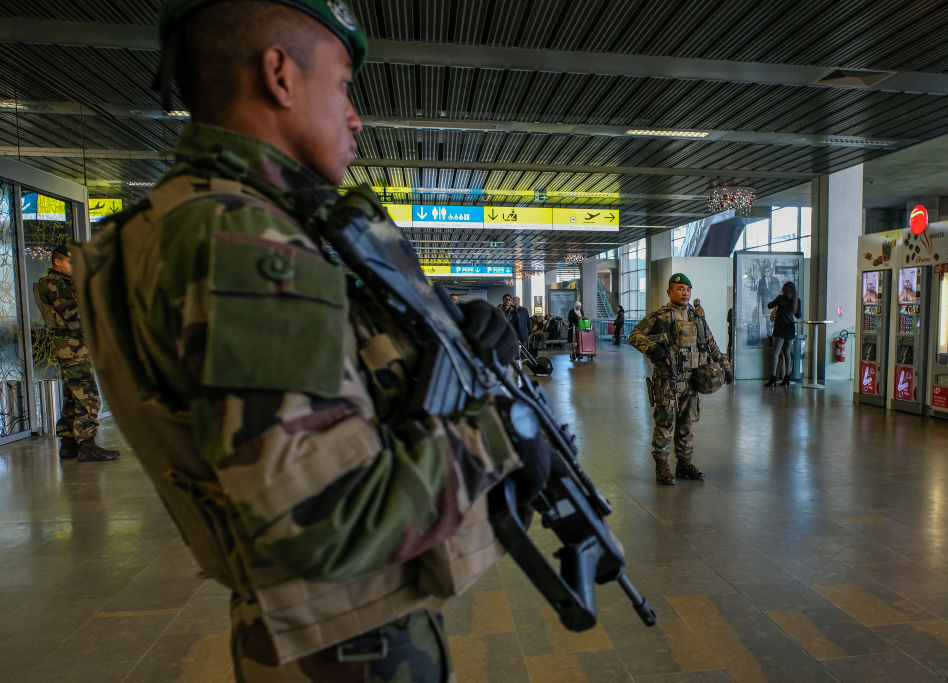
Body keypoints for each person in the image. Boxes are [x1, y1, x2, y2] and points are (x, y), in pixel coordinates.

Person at [73, 1, 554, 679]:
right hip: (346, 649)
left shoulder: (197, 217)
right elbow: (325, 514)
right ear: (279, 74)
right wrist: (501, 435)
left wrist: (451, 348)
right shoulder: (246, 240)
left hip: (324, 636)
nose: (354, 115)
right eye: (342, 85)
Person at [629, 273, 731, 485]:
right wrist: (653, 349)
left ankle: (684, 464)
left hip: (693, 381)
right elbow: (635, 335)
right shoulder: (659, 317)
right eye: (679, 288)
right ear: (669, 292)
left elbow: (712, 346)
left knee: (687, 424)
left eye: (687, 289)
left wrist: (726, 367)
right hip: (668, 381)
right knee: (665, 425)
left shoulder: (697, 319)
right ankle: (662, 466)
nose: (684, 293)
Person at [33, 245, 120, 462]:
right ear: (57, 262)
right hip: (70, 346)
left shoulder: (64, 282)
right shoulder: (53, 283)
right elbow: (71, 313)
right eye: (71, 262)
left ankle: (69, 444)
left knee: (73, 396)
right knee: (88, 395)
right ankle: (87, 445)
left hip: (73, 345)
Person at [765, 281, 802, 387]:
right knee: (787, 352)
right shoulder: (797, 301)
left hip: (780, 329)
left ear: (784, 290)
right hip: (790, 329)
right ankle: (787, 377)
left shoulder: (780, 298)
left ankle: (773, 377)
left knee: (775, 353)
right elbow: (799, 316)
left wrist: (772, 301)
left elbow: (769, 306)